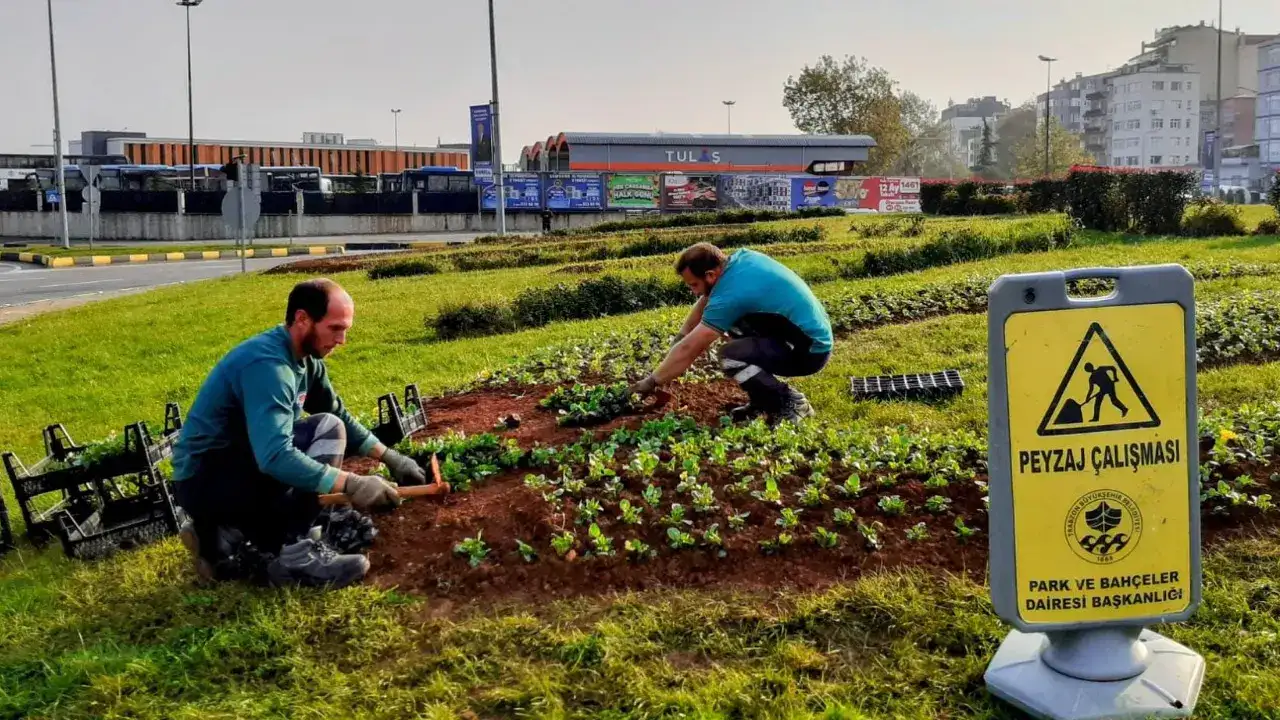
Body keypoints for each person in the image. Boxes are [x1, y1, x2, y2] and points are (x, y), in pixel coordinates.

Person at [171, 279, 428, 588]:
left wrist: (390, 457)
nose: (342, 339)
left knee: (329, 423)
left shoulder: (304, 360)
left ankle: (221, 534)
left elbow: (338, 413)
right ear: (303, 319)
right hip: (207, 479)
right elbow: (276, 457)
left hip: (234, 466)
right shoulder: (269, 367)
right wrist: (354, 482)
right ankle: (297, 554)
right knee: (325, 430)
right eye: (335, 328)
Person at [629, 243, 833, 424]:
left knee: (731, 356)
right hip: (801, 334)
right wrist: (682, 335)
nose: (694, 291)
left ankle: (790, 401)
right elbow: (706, 300)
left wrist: (651, 382)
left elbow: (690, 349)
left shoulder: (731, 296)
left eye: (694, 285)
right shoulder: (739, 260)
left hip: (809, 351)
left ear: (710, 275)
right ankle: (762, 401)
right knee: (737, 330)